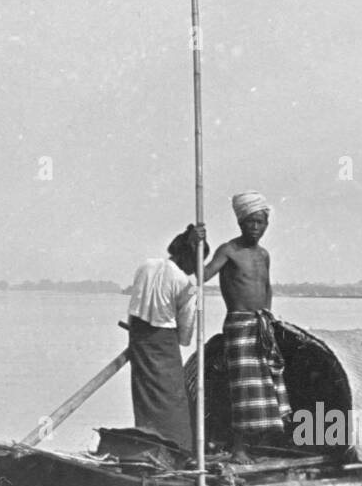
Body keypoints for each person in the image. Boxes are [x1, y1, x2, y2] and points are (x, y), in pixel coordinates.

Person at [203, 191, 290, 463]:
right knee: (243, 388)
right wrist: (196, 248)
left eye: (260, 222)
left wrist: (269, 319)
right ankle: (238, 449)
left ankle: (256, 444)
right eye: (250, 222)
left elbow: (266, 287)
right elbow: (203, 275)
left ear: (266, 225)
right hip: (239, 325)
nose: (255, 227)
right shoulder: (228, 250)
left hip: (261, 324)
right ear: (240, 223)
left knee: (266, 387)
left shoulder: (264, 255)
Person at [124, 226, 204, 454]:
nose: (195, 269)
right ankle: (179, 449)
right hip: (164, 340)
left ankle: (149, 445)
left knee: (145, 394)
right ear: (189, 256)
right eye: (197, 262)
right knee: (173, 398)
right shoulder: (189, 286)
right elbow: (186, 332)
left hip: (138, 337)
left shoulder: (146, 265)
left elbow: (134, 308)